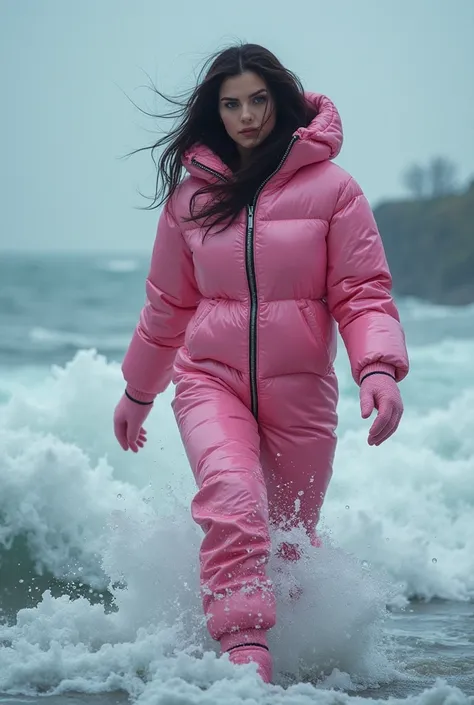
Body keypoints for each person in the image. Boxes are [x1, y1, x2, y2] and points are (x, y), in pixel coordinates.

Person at [113, 42, 409, 683]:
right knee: (233, 500)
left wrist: (378, 368)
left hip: (301, 390)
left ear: (279, 100)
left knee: (290, 540)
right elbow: (167, 306)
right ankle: (245, 662)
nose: (245, 115)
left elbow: (361, 294)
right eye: (230, 104)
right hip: (208, 378)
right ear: (214, 113)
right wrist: (138, 393)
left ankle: (301, 666)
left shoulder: (334, 189)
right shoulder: (191, 200)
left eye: (257, 100)